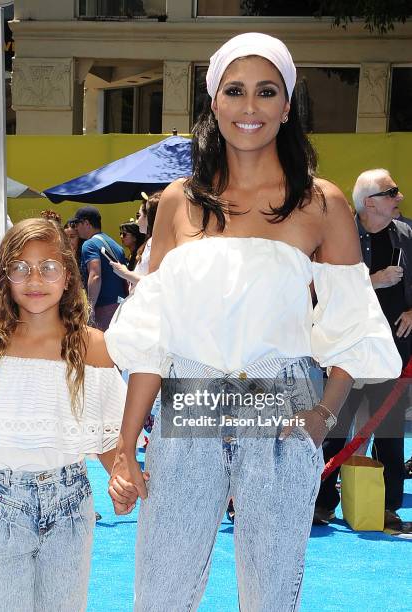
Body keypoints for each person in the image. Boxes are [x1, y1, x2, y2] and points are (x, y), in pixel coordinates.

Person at [104, 33, 401, 611]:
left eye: (266, 92)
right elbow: (151, 338)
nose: (249, 107)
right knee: (160, 592)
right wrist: (123, 444)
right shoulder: (176, 202)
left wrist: (324, 414)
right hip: (186, 411)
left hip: (283, 418)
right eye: (234, 91)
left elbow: (352, 323)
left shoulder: (321, 203)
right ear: (213, 102)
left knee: (270, 595)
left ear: (287, 106)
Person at [0, 218, 128, 611]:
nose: (35, 278)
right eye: (20, 268)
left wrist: (120, 474)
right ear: (5, 278)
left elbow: (108, 430)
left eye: (48, 267)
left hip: (71, 508)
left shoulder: (92, 346)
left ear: (68, 276)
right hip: (1, 505)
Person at [315, 169, 412, 531]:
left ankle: (387, 508)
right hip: (347, 353)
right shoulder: (339, 235)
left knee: (389, 433)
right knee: (334, 427)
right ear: (369, 202)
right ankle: (321, 502)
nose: (399, 198)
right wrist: (373, 281)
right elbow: (324, 290)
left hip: (392, 356)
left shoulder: (408, 236)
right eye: (392, 192)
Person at [72, 205, 127, 331]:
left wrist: (90, 308)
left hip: (104, 308)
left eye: (76, 224)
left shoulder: (89, 244)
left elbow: (95, 276)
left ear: (86, 223)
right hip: (120, 305)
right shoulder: (115, 244)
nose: (76, 229)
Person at [110, 191, 161, 291]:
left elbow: (155, 282)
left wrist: (125, 273)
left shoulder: (157, 244)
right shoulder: (150, 242)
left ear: (149, 217)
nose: (137, 221)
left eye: (139, 215)